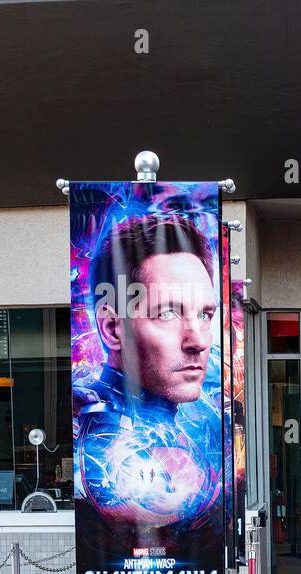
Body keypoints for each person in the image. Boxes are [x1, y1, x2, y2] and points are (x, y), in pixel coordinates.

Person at [74, 213, 223, 537]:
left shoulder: (195, 422)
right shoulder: (90, 424)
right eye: (168, 313)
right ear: (113, 328)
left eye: (205, 314)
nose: (197, 341)